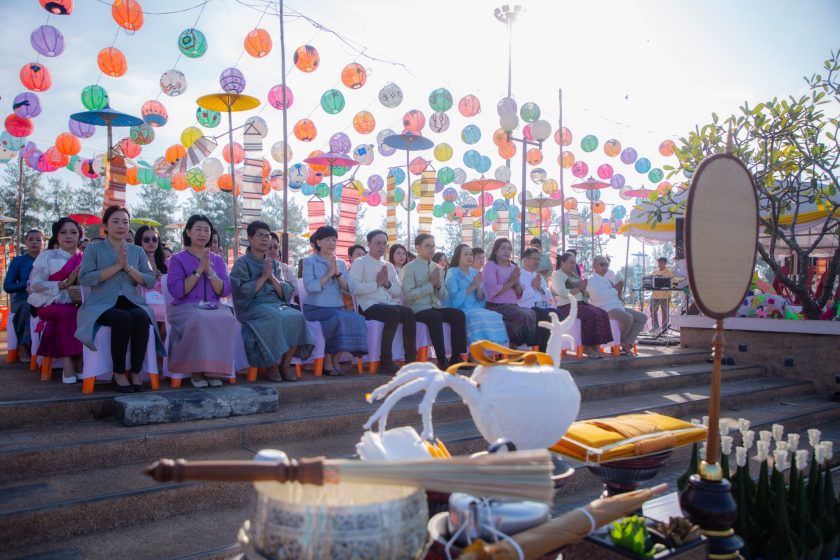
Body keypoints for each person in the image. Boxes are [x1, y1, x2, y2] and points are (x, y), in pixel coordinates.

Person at [76, 206, 162, 392]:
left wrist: (129, 268)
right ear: (106, 226)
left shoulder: (137, 251)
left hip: (130, 301)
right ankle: (119, 373)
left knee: (140, 317)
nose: (121, 226)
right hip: (101, 304)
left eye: (125, 222)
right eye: (115, 221)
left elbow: (149, 280)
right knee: (122, 318)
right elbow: (85, 278)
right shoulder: (93, 249)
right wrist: (116, 267)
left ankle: (136, 371)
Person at [231, 221, 313, 381]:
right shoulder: (242, 263)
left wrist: (271, 277)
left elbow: (286, 291)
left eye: (267, 236)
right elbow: (241, 293)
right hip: (252, 307)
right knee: (273, 317)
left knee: (297, 317)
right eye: (260, 235)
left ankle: (285, 364)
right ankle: (272, 366)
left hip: (276, 304)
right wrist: (263, 277)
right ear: (250, 239)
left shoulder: (274, 264)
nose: (264, 239)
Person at [166, 216, 241, 387]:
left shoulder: (217, 260)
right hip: (184, 307)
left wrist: (210, 272)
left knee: (227, 318)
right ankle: (197, 371)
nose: (203, 234)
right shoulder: (177, 259)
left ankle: (214, 371)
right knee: (199, 319)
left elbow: (225, 290)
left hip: (213, 306)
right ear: (188, 232)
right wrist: (199, 270)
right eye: (198, 229)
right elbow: (177, 291)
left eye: (206, 230)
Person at [301, 226, 367, 375]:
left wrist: (337, 274)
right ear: (318, 242)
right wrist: (329, 274)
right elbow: (311, 287)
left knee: (358, 319)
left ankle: (334, 357)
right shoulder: (309, 262)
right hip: (315, 309)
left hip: (336, 308)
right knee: (338, 318)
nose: (332, 243)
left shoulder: (341, 263)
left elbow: (350, 289)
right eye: (327, 239)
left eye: (334, 240)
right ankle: (329, 359)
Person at [349, 230, 417, 374]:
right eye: (377, 243)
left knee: (408, 312)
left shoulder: (389, 266)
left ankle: (411, 360)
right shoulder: (360, 263)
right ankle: (385, 360)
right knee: (393, 313)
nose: (381, 246)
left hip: (388, 305)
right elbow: (353, 289)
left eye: (384, 244)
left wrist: (386, 284)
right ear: (369, 244)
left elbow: (398, 292)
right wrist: (377, 283)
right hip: (367, 306)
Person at [27, 219, 83, 382]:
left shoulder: (85, 258)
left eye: (73, 232)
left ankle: (80, 361)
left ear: (79, 235)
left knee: (85, 314)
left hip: (78, 302)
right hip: (49, 303)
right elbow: (35, 285)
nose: (69, 236)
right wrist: (62, 284)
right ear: (56, 236)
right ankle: (69, 364)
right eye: (63, 232)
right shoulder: (47, 256)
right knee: (67, 312)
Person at [401, 234, 466, 368]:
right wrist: (429, 285)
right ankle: (441, 359)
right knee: (434, 316)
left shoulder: (438, 268)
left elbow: (443, 297)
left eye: (433, 246)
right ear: (418, 248)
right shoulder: (409, 268)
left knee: (458, 314)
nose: (431, 249)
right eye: (427, 246)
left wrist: (437, 286)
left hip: (435, 306)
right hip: (417, 309)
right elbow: (408, 296)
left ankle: (456, 357)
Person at [551, 252, 614, 358]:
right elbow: (562, 292)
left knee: (602, 313)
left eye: (574, 263)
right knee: (590, 314)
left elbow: (583, 292)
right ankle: (587, 346)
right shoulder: (557, 274)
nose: (572, 265)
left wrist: (584, 289)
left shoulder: (574, 275)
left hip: (580, 304)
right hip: (566, 306)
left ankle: (596, 345)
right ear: (562, 263)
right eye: (570, 262)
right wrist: (579, 288)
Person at [444, 244, 509, 346]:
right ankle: (477, 352)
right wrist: (473, 286)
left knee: (495, 316)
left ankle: (493, 352)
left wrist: (478, 287)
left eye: (470, 254)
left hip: (476, 307)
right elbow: (454, 299)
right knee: (478, 317)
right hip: (460, 309)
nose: (469, 257)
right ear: (458, 256)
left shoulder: (474, 272)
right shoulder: (452, 272)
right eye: (466, 254)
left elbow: (481, 299)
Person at [482, 238, 536, 348]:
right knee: (523, 314)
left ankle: (521, 346)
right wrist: (511, 281)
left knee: (532, 313)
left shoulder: (513, 267)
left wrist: (516, 283)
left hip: (513, 304)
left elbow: (519, 293)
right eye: (503, 248)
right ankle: (518, 345)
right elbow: (493, 292)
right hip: (496, 305)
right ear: (496, 251)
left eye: (509, 249)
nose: (507, 251)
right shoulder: (490, 266)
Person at [588, 255, 647, 355]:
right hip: (604, 308)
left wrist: (618, 294)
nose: (605, 267)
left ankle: (627, 342)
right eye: (602, 264)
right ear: (594, 265)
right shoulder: (592, 280)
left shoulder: (607, 279)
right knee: (628, 317)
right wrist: (615, 289)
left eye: (606, 264)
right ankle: (621, 341)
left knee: (642, 317)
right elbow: (597, 297)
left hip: (617, 306)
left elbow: (613, 293)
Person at [4, 229, 43, 361]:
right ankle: (22, 345)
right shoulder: (18, 261)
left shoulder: (47, 259)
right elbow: (7, 286)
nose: (34, 242)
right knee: (28, 306)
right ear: (25, 242)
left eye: (38, 239)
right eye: (31, 239)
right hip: (23, 299)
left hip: (45, 298)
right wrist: (26, 283)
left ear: (43, 243)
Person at [518, 247, 555, 351]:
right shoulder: (519, 275)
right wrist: (533, 287)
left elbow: (547, 294)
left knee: (556, 314)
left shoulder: (539, 276)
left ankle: (548, 350)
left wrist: (539, 289)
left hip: (540, 306)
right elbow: (520, 297)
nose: (537, 261)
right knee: (543, 315)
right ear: (525, 260)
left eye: (538, 259)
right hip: (526, 306)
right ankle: (540, 351)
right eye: (534, 259)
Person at [134, 226, 167, 334]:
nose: (151, 242)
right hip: (142, 300)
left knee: (169, 315)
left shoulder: (166, 263)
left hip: (163, 300)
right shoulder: (133, 261)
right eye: (146, 239)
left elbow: (170, 285)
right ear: (140, 241)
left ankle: (160, 349)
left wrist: (161, 276)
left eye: (154, 239)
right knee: (159, 313)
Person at [268, 232, 297, 300]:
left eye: (275, 247)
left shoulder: (284, 267)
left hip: (288, 304)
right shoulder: (258, 265)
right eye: (269, 247)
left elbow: (296, 290)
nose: (272, 249)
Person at [650, 257, 675, 331]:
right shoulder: (654, 272)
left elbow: (674, 282)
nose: (660, 264)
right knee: (652, 310)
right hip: (654, 295)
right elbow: (650, 281)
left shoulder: (669, 272)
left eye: (661, 262)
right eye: (659, 262)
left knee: (665, 312)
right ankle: (655, 327)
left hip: (665, 295)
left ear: (665, 263)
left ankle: (664, 328)